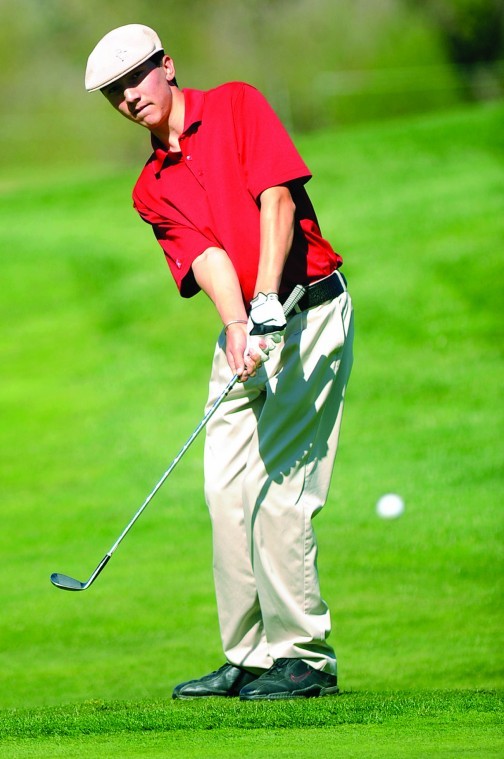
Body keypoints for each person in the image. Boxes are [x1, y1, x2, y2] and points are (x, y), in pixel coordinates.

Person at [85, 23, 354, 701]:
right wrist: (238, 322)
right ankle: (251, 656)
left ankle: (304, 656)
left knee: (280, 490)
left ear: (167, 66)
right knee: (226, 490)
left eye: (136, 77)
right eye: (114, 91)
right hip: (248, 329)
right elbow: (204, 255)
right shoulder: (150, 187)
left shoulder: (237, 104)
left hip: (309, 311)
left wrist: (265, 301)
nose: (128, 96)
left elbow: (278, 200)